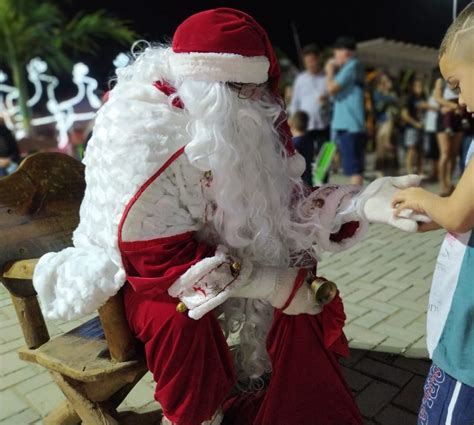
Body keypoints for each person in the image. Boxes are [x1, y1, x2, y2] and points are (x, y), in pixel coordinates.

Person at [33, 8, 426, 425]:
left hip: (213, 251)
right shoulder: (144, 133)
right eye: (245, 90)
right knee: (180, 320)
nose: (260, 102)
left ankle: (297, 397)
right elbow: (155, 258)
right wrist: (273, 285)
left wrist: (361, 202)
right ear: (207, 84)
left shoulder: (245, 114)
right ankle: (195, 416)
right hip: (134, 274)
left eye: (261, 89)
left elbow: (285, 209)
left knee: (299, 268)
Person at [392, 4, 474, 424]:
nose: (457, 99)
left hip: (469, 351)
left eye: (458, 84)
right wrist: (436, 218)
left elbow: (460, 215)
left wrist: (424, 198)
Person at [325, 36, 366, 186]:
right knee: (355, 167)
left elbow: (331, 88)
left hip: (349, 124)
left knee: (354, 169)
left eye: (336, 53)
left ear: (345, 52)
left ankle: (355, 203)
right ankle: (356, 200)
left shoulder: (351, 66)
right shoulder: (356, 67)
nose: (335, 57)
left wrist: (329, 71)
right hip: (353, 124)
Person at [289, 44, 330, 155]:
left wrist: (327, 101)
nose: (310, 64)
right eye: (307, 61)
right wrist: (293, 123)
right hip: (305, 126)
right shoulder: (300, 79)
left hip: (324, 124)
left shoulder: (327, 77)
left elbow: (334, 100)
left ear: (318, 59)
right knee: (306, 158)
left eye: (312, 60)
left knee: (324, 159)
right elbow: (295, 102)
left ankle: (324, 173)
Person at [373, 73, 399, 177]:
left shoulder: (394, 93)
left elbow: (397, 105)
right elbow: (379, 107)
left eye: (388, 81)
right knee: (381, 149)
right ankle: (380, 172)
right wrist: (387, 97)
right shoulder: (377, 94)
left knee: (392, 151)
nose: (386, 84)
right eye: (383, 82)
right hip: (381, 123)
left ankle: (393, 172)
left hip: (392, 126)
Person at [401, 79, 426, 175]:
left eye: (421, 86)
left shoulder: (423, 97)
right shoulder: (409, 98)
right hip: (411, 128)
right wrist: (415, 124)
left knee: (421, 150)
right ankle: (409, 171)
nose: (420, 88)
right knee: (411, 149)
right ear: (413, 87)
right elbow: (404, 115)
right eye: (418, 86)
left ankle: (420, 171)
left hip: (421, 127)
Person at [288, 110, 314, 186]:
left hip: (299, 183)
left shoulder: (295, 144)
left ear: (291, 124)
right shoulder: (309, 140)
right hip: (308, 179)